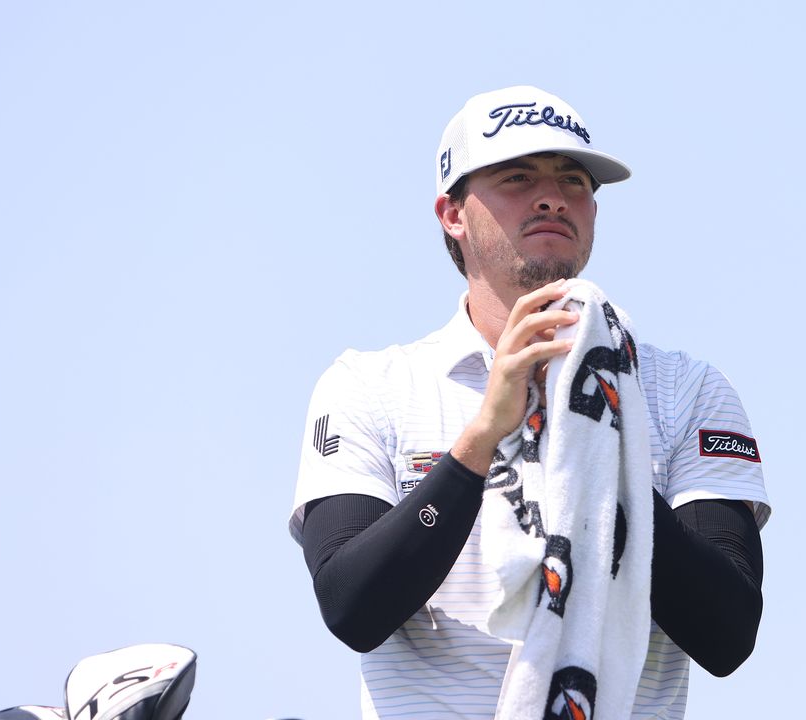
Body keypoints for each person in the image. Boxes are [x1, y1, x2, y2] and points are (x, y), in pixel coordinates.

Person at [290, 86, 771, 720]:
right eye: (517, 177)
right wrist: (485, 435)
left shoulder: (687, 390)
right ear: (452, 214)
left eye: (574, 181)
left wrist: (597, 443)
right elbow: (354, 607)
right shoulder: (370, 385)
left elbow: (727, 633)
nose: (552, 197)